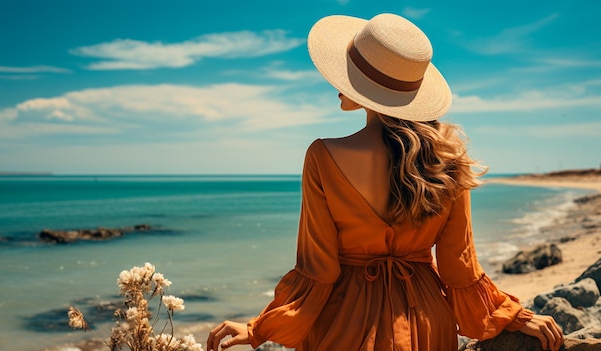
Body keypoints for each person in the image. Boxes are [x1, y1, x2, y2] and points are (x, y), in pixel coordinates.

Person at [207, 13, 563, 351]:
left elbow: (318, 269)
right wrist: (516, 316)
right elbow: (459, 266)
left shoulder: (322, 157)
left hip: (345, 320)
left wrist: (259, 329)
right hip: (426, 318)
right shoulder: (447, 162)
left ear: (365, 90)